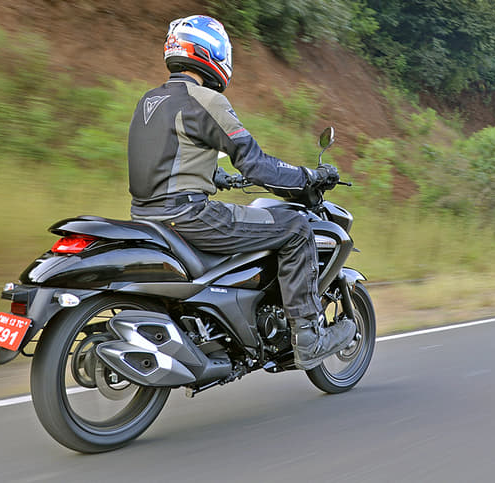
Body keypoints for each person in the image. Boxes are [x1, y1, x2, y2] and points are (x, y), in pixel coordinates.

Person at [127, 15, 356, 370]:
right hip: (191, 217)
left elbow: (167, 157)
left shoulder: (150, 100)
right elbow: (257, 165)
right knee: (296, 228)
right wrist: (308, 176)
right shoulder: (205, 100)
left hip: (147, 217)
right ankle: (310, 338)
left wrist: (216, 176)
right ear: (210, 52)